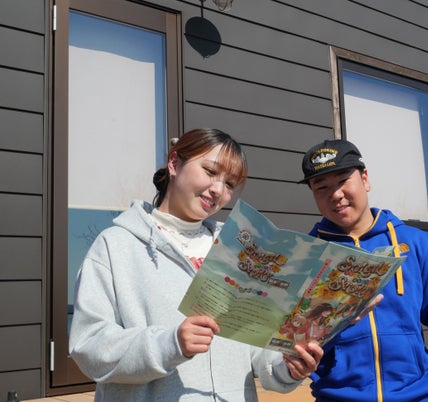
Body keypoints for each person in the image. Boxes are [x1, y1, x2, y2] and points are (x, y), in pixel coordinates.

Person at [69, 128, 324, 402]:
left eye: (230, 184)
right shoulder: (116, 245)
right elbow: (89, 346)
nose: (218, 190)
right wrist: (170, 344)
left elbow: (255, 346)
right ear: (174, 163)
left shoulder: (237, 249)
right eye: (210, 171)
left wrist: (287, 366)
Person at [299, 139, 428, 402]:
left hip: (417, 396)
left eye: (343, 180)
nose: (335, 194)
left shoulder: (415, 244)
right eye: (321, 187)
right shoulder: (307, 255)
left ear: (365, 179)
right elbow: (297, 340)